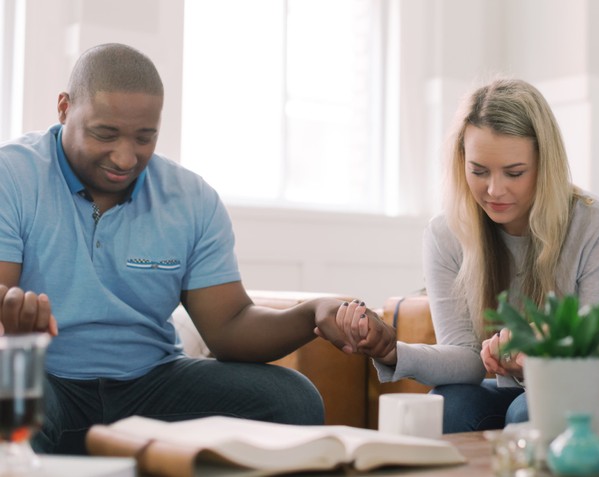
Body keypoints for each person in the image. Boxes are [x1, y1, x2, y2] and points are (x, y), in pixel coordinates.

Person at [0, 43, 346, 454]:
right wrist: (13, 325)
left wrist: (312, 313)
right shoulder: (13, 176)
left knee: (293, 399)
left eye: (144, 138)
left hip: (152, 387)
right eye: (104, 134)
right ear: (63, 108)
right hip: (46, 380)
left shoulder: (190, 198)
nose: (125, 158)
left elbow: (230, 328)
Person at [317, 78, 599, 432]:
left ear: (546, 164)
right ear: (461, 161)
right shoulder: (445, 234)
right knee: (449, 404)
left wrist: (534, 357)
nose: (494, 190)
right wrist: (391, 350)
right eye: (479, 171)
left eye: (515, 173)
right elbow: (466, 360)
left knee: (527, 411)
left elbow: (594, 354)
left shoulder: (598, 227)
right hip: (518, 390)